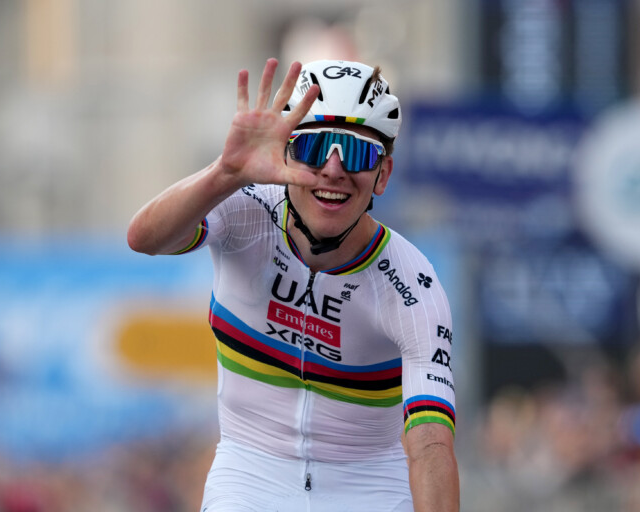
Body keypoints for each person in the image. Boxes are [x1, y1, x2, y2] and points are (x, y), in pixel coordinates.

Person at [127, 58, 459, 512]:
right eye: (315, 147)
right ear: (286, 153)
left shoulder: (411, 286)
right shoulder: (244, 210)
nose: (333, 170)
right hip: (249, 475)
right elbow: (144, 239)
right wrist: (226, 173)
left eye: (357, 153)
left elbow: (431, 444)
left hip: (370, 486)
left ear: (383, 174)